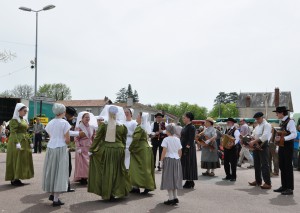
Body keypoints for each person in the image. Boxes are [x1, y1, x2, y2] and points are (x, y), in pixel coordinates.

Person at [88, 105, 130, 200]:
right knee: (118, 171)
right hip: (119, 150)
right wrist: (122, 148)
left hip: (107, 150)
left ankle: (108, 193)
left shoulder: (104, 125)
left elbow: (97, 138)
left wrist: (91, 150)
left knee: (108, 171)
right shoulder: (122, 126)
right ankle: (117, 191)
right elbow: (124, 140)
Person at [42, 103, 70, 207]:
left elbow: (51, 136)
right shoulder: (65, 123)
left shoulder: (50, 122)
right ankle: (56, 199)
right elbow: (67, 140)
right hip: (61, 147)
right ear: (63, 112)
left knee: (52, 170)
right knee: (60, 171)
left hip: (50, 148)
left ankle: (52, 194)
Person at [5, 103, 34, 186]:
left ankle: (18, 177)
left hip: (24, 141)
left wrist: (30, 142)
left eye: (26, 111)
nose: (25, 112)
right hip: (16, 142)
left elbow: (25, 132)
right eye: (24, 111)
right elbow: (13, 132)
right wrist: (17, 143)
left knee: (22, 160)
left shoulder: (23, 120)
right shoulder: (14, 120)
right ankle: (14, 179)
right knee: (16, 159)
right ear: (19, 110)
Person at [129, 112, 156, 194]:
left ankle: (142, 186)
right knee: (145, 168)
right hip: (146, 149)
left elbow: (136, 139)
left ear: (141, 118)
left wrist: (131, 148)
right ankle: (139, 186)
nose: (136, 117)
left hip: (140, 149)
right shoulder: (144, 127)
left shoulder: (139, 128)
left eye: (138, 116)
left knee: (137, 168)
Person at [273, 106, 297, 195]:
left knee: (288, 167)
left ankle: (289, 188)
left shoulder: (290, 121)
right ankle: (284, 186)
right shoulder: (283, 122)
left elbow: (294, 134)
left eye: (277, 113)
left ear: (282, 113)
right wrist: (277, 147)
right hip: (282, 147)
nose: (276, 114)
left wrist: (283, 139)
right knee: (282, 166)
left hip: (287, 147)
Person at [248, 112, 272, 189]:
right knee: (257, 164)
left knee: (265, 165)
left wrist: (254, 141)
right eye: (256, 119)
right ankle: (258, 180)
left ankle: (267, 183)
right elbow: (253, 134)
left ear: (262, 117)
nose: (257, 120)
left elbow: (265, 136)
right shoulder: (258, 126)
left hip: (263, 146)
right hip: (256, 146)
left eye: (258, 119)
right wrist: (248, 138)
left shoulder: (267, 125)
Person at [160, 124, 182, 205]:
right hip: (176, 160)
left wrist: (161, 161)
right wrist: (179, 158)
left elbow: (164, 151)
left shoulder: (166, 139)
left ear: (168, 131)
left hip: (169, 159)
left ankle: (171, 198)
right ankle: (175, 197)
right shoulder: (177, 139)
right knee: (175, 178)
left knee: (168, 178)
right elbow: (180, 151)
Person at [74, 112, 97, 185]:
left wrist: (94, 146)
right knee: (82, 164)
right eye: (86, 117)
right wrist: (78, 147)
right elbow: (76, 138)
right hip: (82, 147)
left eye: (88, 117)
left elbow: (94, 136)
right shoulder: (79, 127)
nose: (87, 118)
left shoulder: (91, 127)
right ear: (82, 118)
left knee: (89, 163)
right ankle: (82, 178)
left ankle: (88, 177)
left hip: (89, 147)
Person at [180, 112, 197, 188]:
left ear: (189, 118)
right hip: (183, 147)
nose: (183, 118)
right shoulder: (185, 127)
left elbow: (191, 139)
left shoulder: (192, 127)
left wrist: (187, 148)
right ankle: (188, 180)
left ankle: (190, 181)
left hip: (189, 148)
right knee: (185, 164)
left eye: (185, 117)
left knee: (189, 164)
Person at [222, 118, 240, 182]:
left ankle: (233, 176)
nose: (227, 123)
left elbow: (237, 139)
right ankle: (228, 175)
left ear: (232, 123)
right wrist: (223, 144)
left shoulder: (236, 130)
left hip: (233, 149)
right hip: (226, 149)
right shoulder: (226, 130)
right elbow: (224, 138)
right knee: (226, 162)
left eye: (228, 122)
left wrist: (231, 145)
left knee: (233, 163)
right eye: (227, 122)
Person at [65, 106, 77, 192]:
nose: (73, 117)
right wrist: (78, 133)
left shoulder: (68, 120)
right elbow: (67, 133)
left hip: (66, 146)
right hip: (63, 146)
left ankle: (67, 185)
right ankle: (65, 185)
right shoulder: (63, 121)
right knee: (66, 166)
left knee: (68, 166)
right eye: (72, 115)